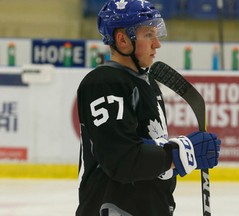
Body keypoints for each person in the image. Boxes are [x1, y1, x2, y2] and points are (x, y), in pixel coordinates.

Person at [76, 0, 221, 216]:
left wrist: (176, 157)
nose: (157, 44)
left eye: (156, 34)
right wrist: (182, 152)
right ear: (122, 39)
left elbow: (148, 150)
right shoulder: (105, 82)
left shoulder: (148, 83)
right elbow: (121, 160)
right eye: (148, 35)